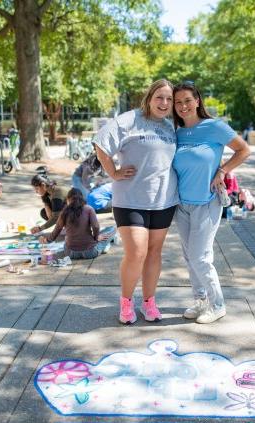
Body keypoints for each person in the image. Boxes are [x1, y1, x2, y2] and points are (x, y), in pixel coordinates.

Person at [93, 79, 178, 325]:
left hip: (163, 199)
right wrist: (113, 172)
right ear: (149, 97)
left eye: (169, 99)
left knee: (154, 252)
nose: (164, 103)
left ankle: (149, 302)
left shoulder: (171, 127)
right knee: (137, 252)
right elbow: (101, 144)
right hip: (130, 199)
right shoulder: (129, 119)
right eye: (159, 97)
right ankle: (126, 302)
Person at [172, 81, 251, 324]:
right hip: (181, 205)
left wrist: (223, 171)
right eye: (178, 102)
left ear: (197, 101)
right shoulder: (177, 132)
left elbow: (244, 150)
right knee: (189, 256)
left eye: (187, 100)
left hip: (207, 202)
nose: (183, 106)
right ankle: (201, 300)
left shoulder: (215, 127)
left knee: (200, 257)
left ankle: (217, 305)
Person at [39, 188, 114, 259]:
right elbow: (96, 227)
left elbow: (57, 229)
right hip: (90, 252)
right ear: (82, 199)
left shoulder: (64, 212)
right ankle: (104, 246)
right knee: (112, 229)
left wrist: (47, 240)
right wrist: (96, 238)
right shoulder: (89, 209)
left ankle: (103, 246)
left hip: (70, 253)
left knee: (66, 239)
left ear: (68, 200)